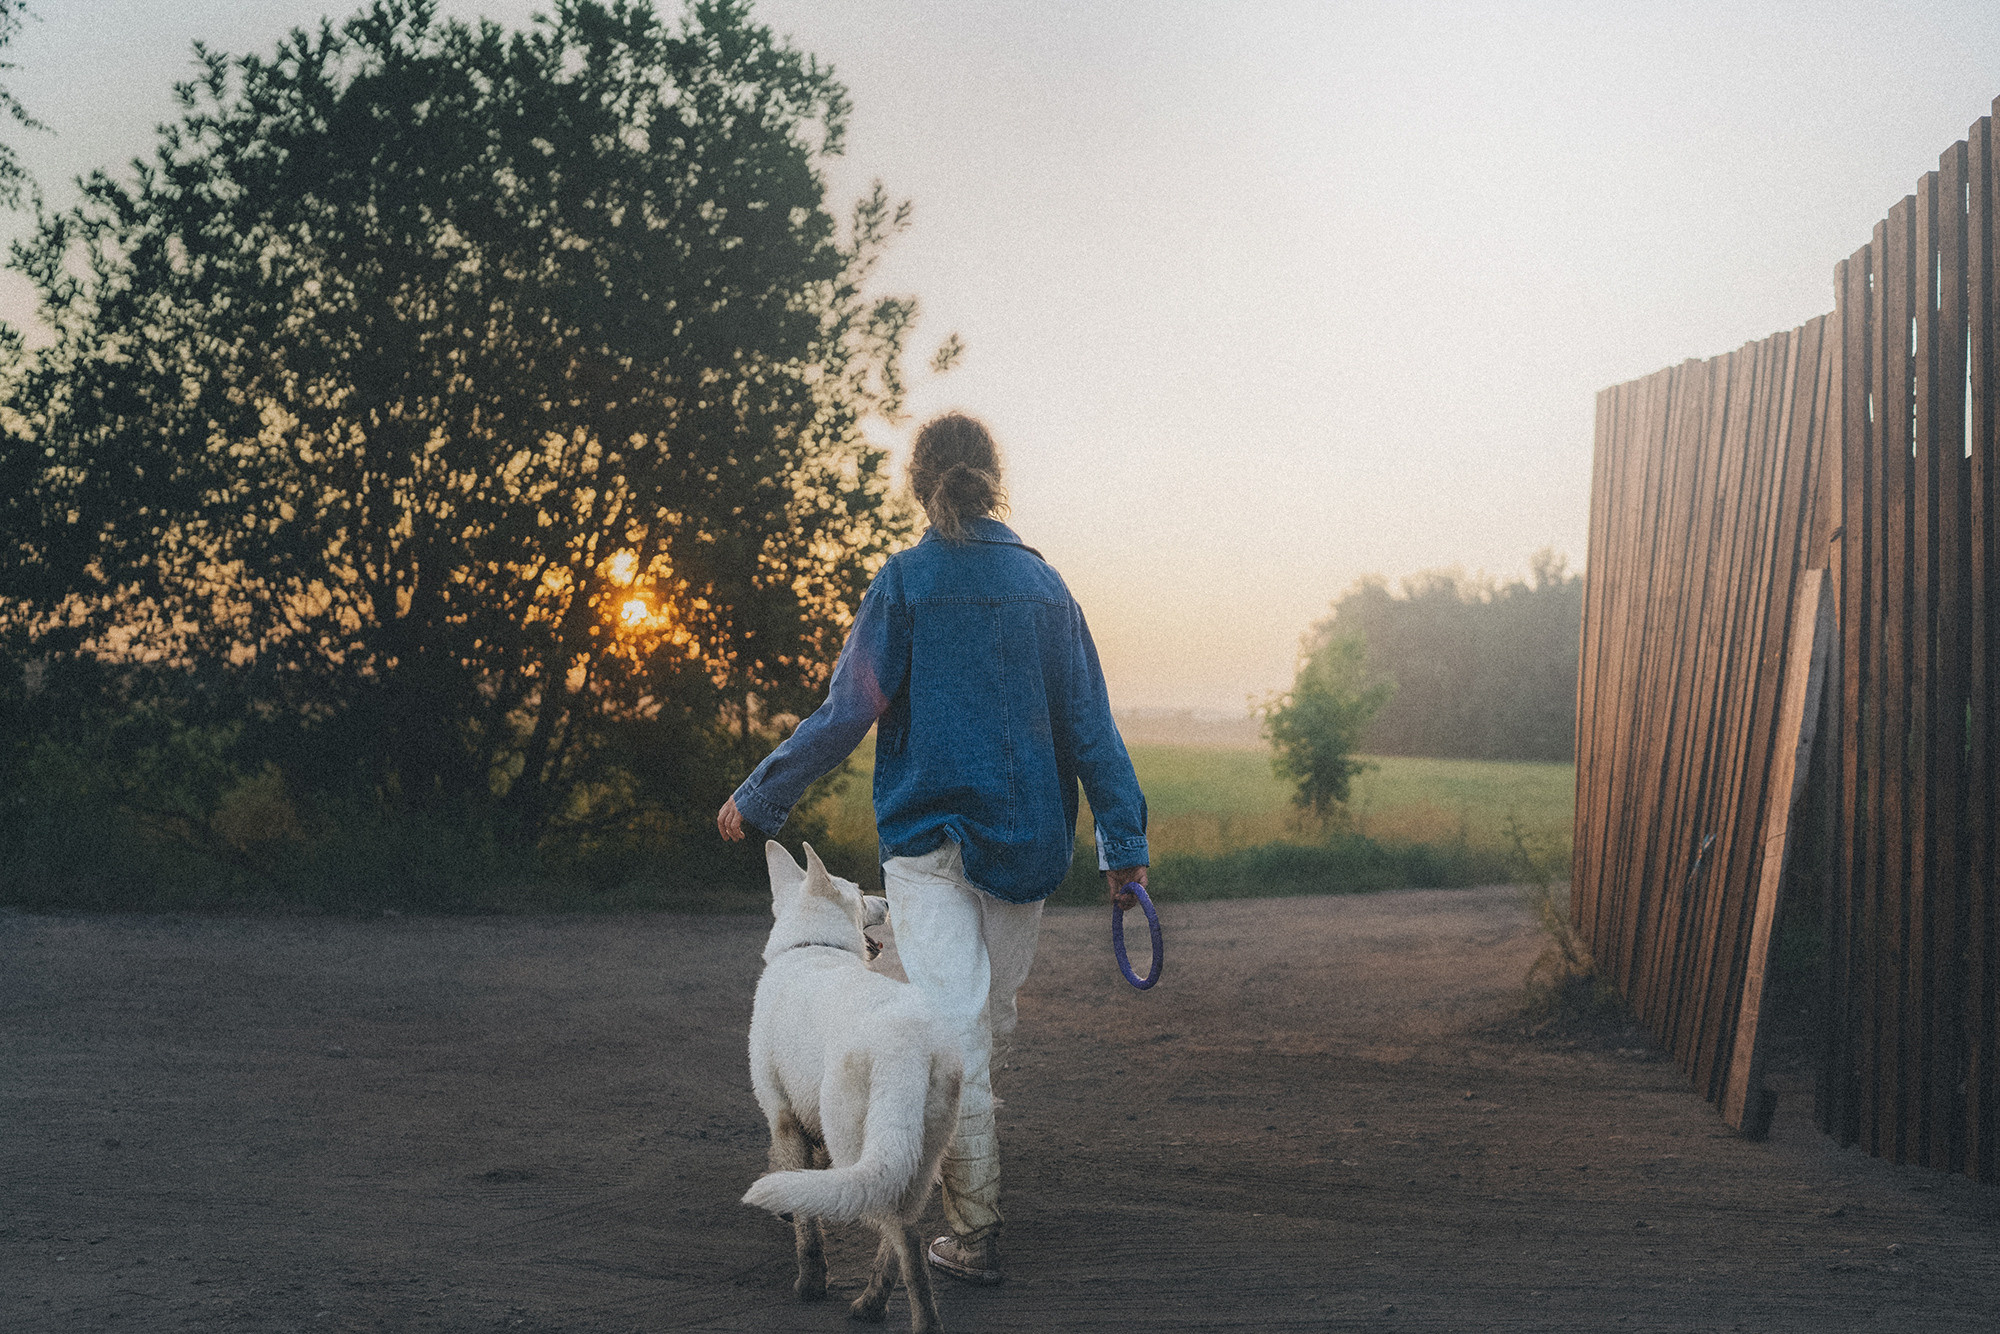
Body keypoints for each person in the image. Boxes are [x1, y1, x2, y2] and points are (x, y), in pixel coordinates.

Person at [716, 410, 1149, 1286]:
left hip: (926, 842)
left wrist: (762, 794)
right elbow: (1089, 726)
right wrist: (1122, 845)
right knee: (972, 1025)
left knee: (968, 1026)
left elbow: (849, 709)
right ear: (995, 482)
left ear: (919, 486)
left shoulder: (905, 583)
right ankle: (970, 1217)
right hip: (1025, 843)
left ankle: (971, 1227)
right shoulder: (1048, 590)